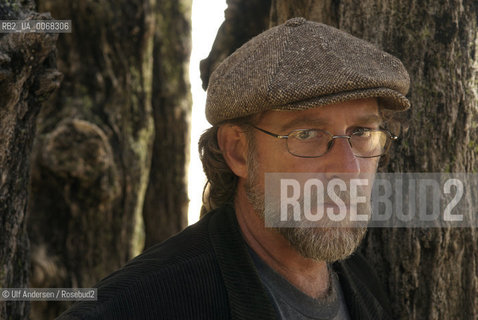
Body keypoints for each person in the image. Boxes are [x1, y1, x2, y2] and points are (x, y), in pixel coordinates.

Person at [58, 17, 410, 320]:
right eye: (307, 134)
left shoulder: (363, 285)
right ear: (238, 152)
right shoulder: (141, 306)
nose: (348, 170)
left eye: (362, 132)